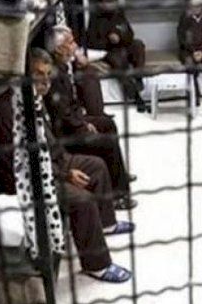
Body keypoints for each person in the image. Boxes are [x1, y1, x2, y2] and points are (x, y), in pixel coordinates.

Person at [0, 48, 134, 283]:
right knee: (82, 200)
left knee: (96, 165)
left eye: (47, 74)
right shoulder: (7, 111)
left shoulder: (31, 96)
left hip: (50, 162)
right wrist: (64, 174)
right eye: (38, 74)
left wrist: (63, 163)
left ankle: (106, 224)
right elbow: (18, 165)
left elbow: (45, 143)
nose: (45, 81)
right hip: (23, 179)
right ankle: (97, 265)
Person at [44, 25, 136, 210]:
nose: (75, 46)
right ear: (59, 48)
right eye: (70, 43)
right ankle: (117, 196)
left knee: (107, 124)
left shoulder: (63, 66)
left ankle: (118, 176)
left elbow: (71, 106)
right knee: (106, 142)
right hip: (66, 132)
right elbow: (63, 114)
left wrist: (84, 121)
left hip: (74, 122)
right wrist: (83, 126)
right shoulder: (53, 75)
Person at [86, 0, 148, 112]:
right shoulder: (95, 20)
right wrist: (109, 40)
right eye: (106, 2)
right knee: (119, 63)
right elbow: (92, 42)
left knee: (138, 44)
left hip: (124, 45)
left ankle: (139, 76)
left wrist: (120, 37)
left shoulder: (119, 15)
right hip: (109, 51)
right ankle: (136, 97)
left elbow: (130, 33)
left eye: (111, 1)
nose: (110, 4)